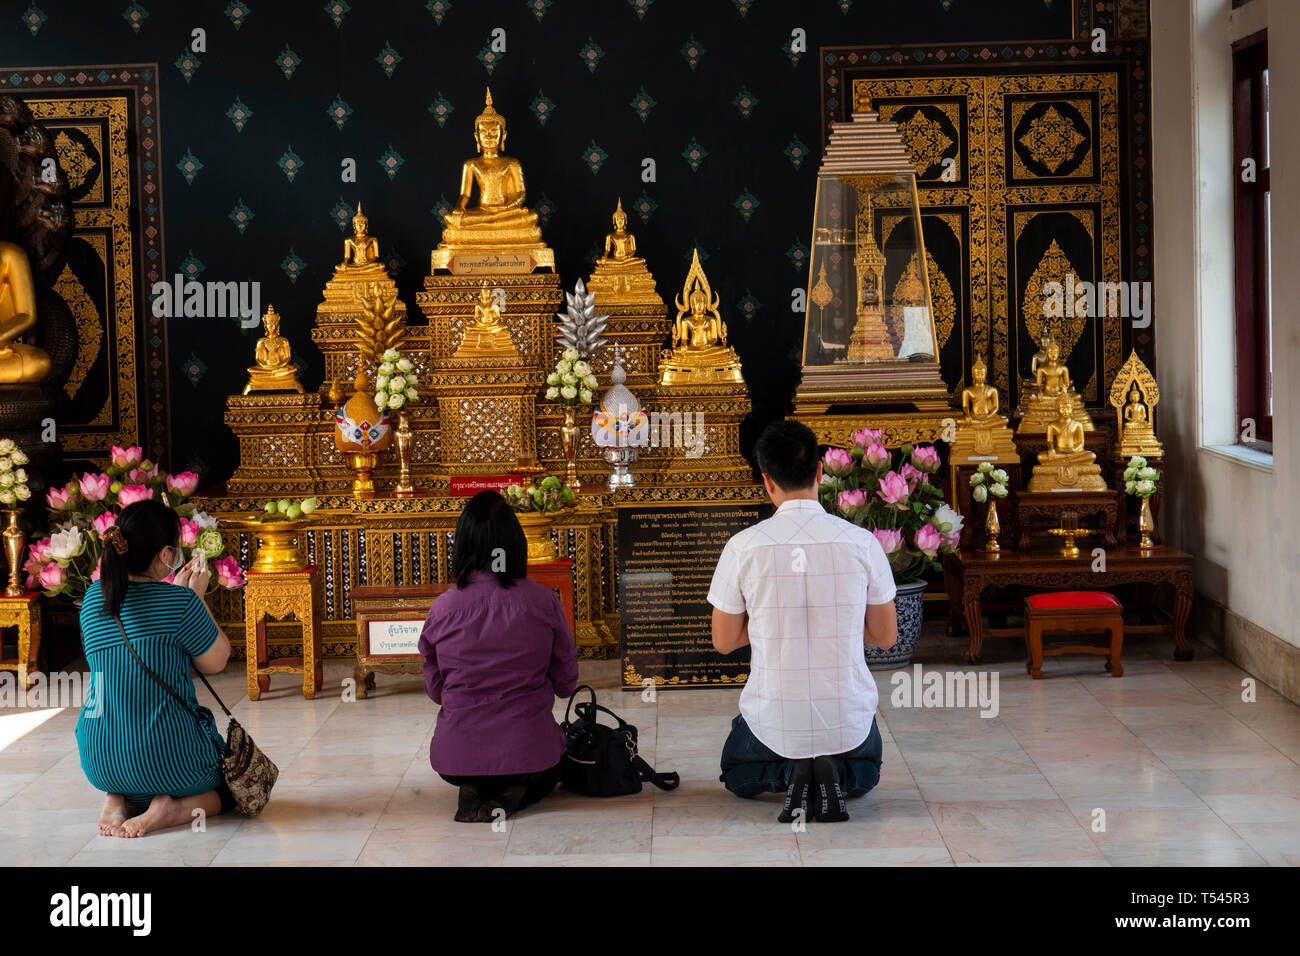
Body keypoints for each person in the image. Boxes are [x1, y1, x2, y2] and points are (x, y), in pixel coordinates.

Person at [708, 420, 898, 822]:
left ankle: (789, 771)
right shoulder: (861, 542)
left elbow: (723, 641)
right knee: (866, 774)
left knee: (736, 772)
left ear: (766, 482)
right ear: (818, 472)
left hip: (771, 719)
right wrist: (842, 620)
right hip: (848, 720)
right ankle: (835, 771)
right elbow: (885, 636)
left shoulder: (743, 546)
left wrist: (765, 623)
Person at [76, 499, 233, 838]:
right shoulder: (182, 603)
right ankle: (171, 808)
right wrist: (198, 599)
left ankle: (119, 797)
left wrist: (180, 599)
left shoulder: (91, 600)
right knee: (234, 788)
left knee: (131, 751)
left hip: (99, 759)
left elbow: (141, 626)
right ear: (165, 555)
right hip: (171, 759)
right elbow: (217, 661)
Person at [419, 490, 579, 822]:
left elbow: (436, 692)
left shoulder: (443, 607)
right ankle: (514, 794)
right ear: (516, 544)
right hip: (529, 751)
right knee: (553, 764)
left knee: (475, 762)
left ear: (463, 546)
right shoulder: (543, 601)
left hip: (456, 759)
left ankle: (472, 787)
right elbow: (566, 684)